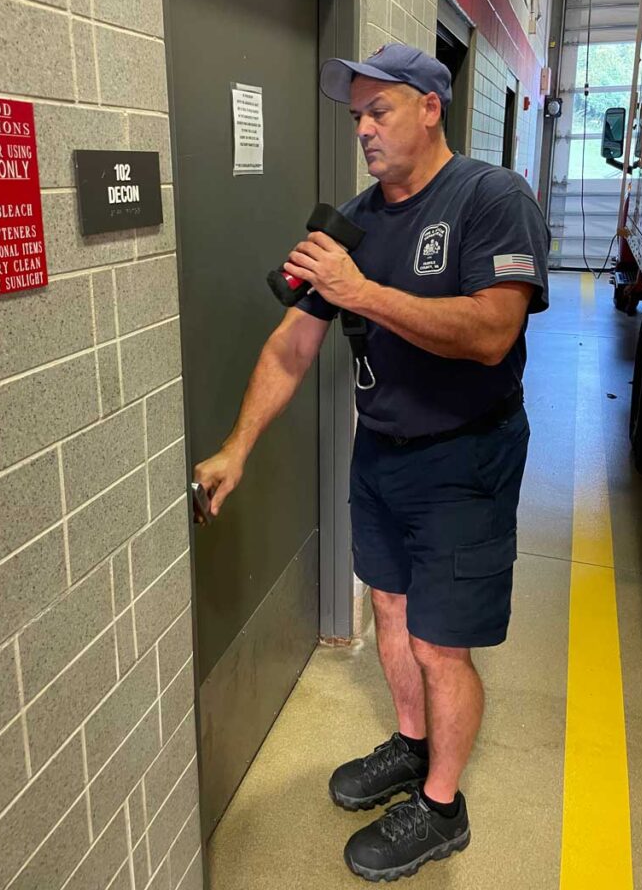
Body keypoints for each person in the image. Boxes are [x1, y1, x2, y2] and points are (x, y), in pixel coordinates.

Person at [194, 44, 550, 882]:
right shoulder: (350, 222)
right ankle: (411, 741)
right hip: (380, 454)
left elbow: (493, 331)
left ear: (431, 106)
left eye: (377, 110)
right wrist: (236, 447)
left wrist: (362, 293)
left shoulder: (491, 200)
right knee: (388, 613)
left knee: (439, 647)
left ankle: (442, 806)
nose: (362, 128)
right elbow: (293, 346)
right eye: (355, 114)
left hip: (467, 456)